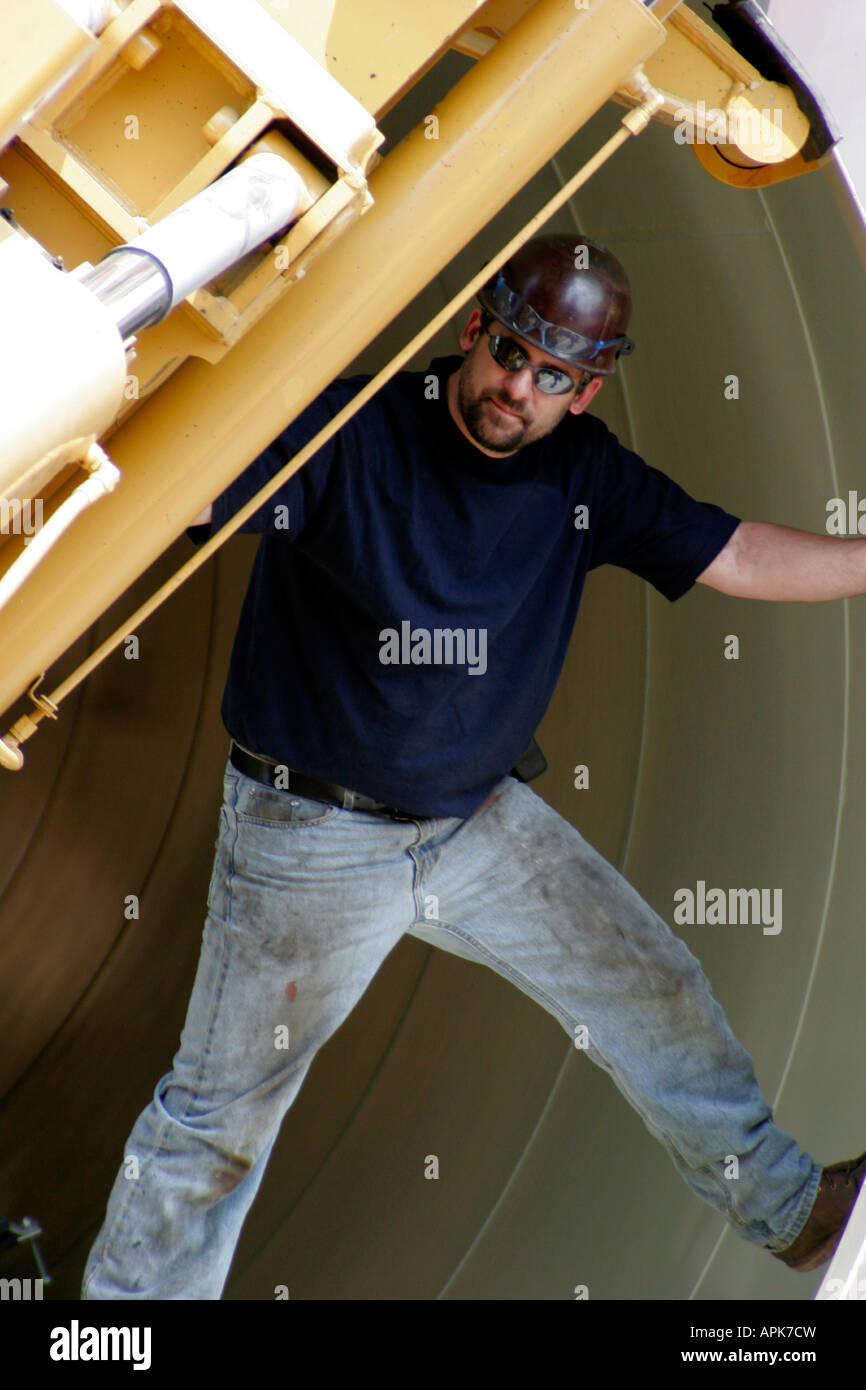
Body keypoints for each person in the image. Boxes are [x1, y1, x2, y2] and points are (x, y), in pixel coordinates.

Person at [82, 233, 865, 1299]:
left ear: (584, 393)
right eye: (508, 352)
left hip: (474, 822)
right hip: (308, 839)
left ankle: (789, 1212)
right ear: (471, 331)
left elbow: (729, 553)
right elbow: (189, 494)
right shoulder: (354, 433)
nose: (517, 388)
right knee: (218, 1121)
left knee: (651, 988)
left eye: (553, 376)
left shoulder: (581, 475)